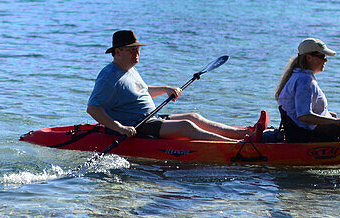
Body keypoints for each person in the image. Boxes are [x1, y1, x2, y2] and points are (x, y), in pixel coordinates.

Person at [87, 30, 249, 141]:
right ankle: (234, 146)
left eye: (137, 49)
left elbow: (141, 91)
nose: (136, 54)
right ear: (117, 52)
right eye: (131, 50)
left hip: (152, 118)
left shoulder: (130, 69)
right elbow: (93, 108)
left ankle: (244, 133)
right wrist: (121, 128)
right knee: (186, 126)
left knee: (193, 117)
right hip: (137, 126)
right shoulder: (109, 76)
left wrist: (166, 89)